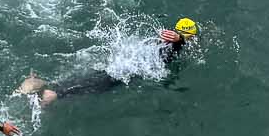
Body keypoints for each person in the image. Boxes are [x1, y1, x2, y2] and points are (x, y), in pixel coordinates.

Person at [15, 19, 200, 105]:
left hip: (124, 64)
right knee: (81, 88)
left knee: (85, 81)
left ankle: (42, 89)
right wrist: (180, 40)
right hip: (126, 72)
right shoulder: (174, 47)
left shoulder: (159, 42)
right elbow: (176, 47)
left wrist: (178, 38)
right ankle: (43, 92)